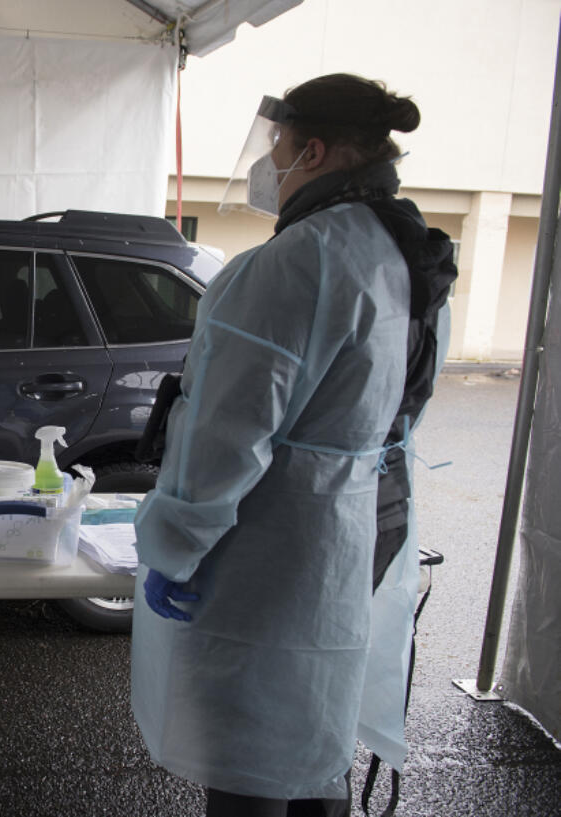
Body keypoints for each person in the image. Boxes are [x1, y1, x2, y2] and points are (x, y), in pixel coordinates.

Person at [129, 74, 454, 816]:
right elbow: (404, 411)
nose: (266, 162)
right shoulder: (404, 252)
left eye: (276, 146)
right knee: (314, 753)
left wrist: (173, 546)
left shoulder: (290, 263)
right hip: (341, 547)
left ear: (312, 150)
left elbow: (224, 439)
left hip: (264, 564)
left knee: (249, 765)